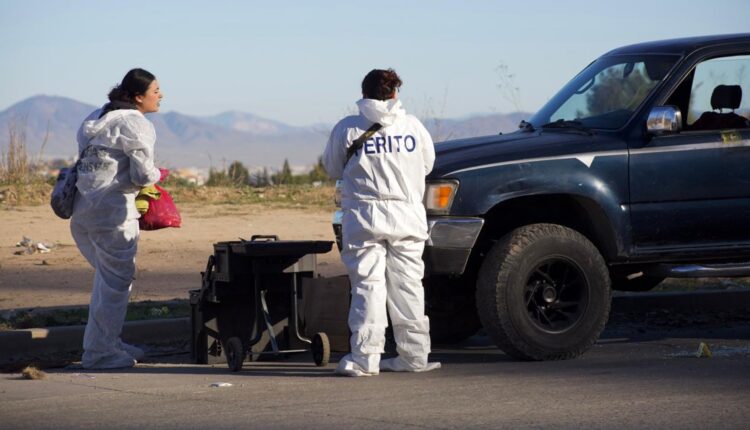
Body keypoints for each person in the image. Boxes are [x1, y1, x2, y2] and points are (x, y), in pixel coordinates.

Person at [323, 68, 440, 376]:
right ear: (395, 93)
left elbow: (333, 167)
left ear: (363, 94)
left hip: (364, 218)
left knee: (368, 287)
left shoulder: (347, 128)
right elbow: (427, 165)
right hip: (408, 217)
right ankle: (414, 356)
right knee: (408, 287)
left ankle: (365, 358)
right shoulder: (413, 127)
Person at [70, 68, 163, 369]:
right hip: (113, 214)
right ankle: (100, 354)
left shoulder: (96, 118)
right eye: (155, 91)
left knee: (106, 281)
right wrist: (158, 175)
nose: (160, 96)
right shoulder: (137, 124)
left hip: (82, 212)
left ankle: (107, 341)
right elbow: (143, 174)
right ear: (139, 97)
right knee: (115, 284)